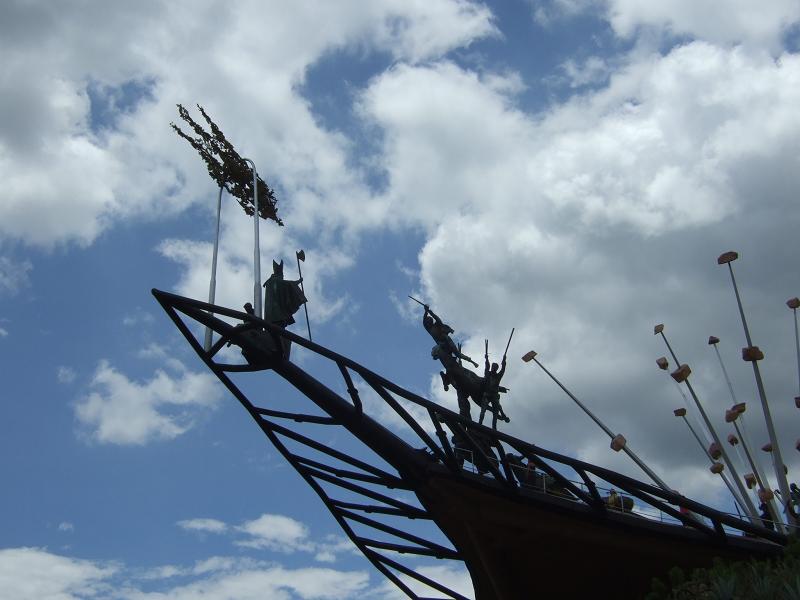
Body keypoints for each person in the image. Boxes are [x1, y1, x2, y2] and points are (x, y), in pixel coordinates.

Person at [263, 260, 306, 327]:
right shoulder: (275, 280)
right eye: (282, 275)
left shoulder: (271, 281)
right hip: (276, 312)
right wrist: (298, 282)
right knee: (279, 326)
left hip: (273, 312)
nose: (283, 277)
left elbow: (285, 287)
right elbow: (287, 284)